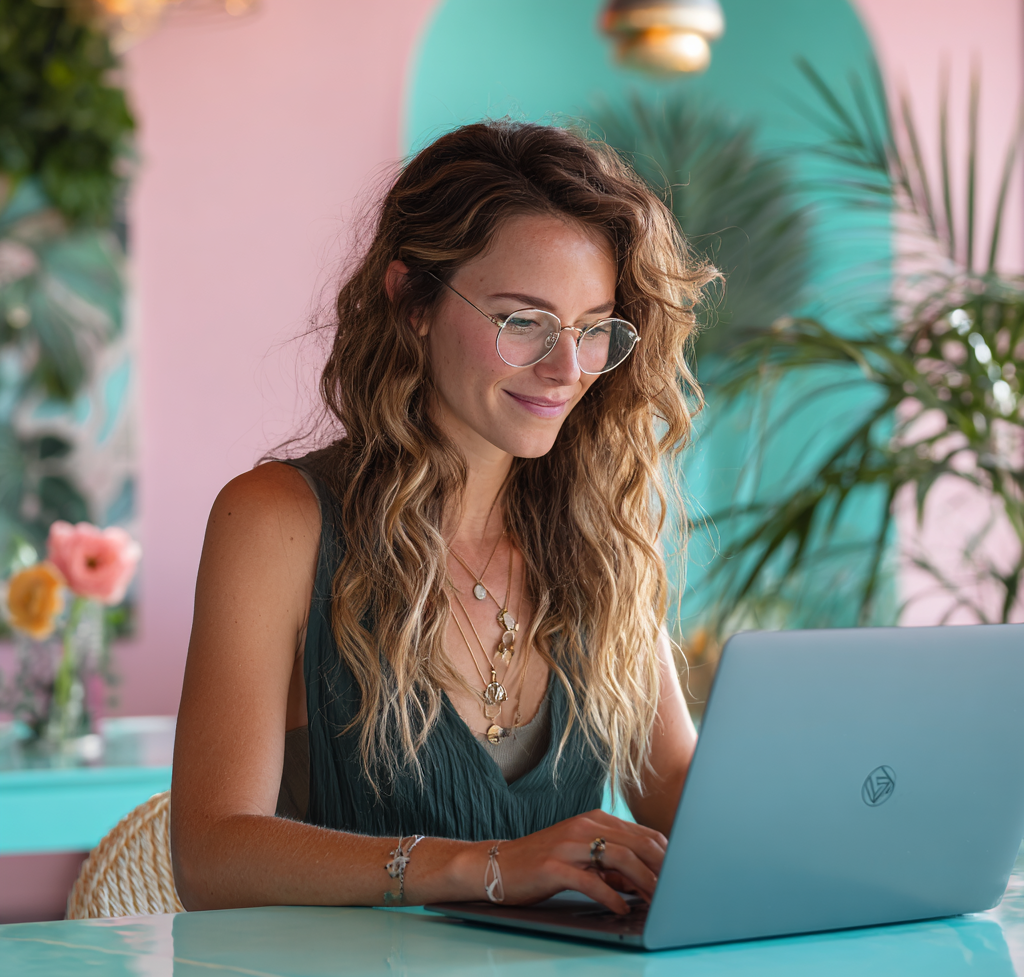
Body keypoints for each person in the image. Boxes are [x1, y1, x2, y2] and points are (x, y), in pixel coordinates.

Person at [171, 120, 715, 915]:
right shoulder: (279, 523)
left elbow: (675, 789)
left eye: (594, 328)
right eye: (522, 320)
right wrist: (483, 866)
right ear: (412, 300)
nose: (567, 369)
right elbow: (210, 854)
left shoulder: (603, 538)